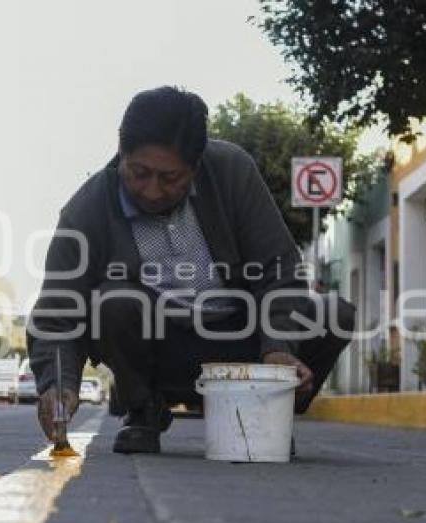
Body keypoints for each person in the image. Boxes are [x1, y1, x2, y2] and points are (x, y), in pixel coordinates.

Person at [28, 86, 355, 454]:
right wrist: (59, 384)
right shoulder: (86, 210)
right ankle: (143, 408)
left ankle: (265, 414)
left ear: (196, 167)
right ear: (122, 155)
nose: (152, 191)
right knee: (112, 301)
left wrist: (278, 349)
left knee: (334, 314)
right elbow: (58, 314)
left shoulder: (232, 170)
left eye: (170, 179)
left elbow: (278, 269)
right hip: (161, 348)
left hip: (241, 342)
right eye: (139, 173)